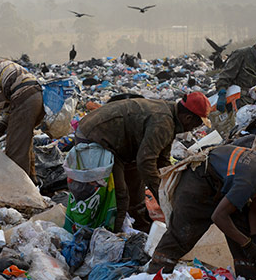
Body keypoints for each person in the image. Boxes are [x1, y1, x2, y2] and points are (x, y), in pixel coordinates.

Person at [148, 145, 256, 280]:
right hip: (199, 181)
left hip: (222, 186)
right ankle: (153, 277)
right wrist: (246, 244)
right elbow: (218, 217)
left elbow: (255, 209)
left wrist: (254, 238)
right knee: (183, 234)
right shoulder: (250, 179)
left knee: (244, 233)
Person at [74, 92, 210, 231]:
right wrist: (162, 196)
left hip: (118, 144)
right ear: (188, 118)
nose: (194, 129)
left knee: (136, 190)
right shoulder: (163, 122)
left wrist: (172, 186)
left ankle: (141, 229)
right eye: (196, 125)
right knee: (120, 195)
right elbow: (146, 162)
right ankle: (114, 237)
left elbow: (162, 159)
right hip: (95, 137)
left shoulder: (170, 116)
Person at [215, 32, 256, 110]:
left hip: (253, 102)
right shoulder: (242, 54)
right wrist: (222, 94)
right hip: (238, 101)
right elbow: (225, 76)